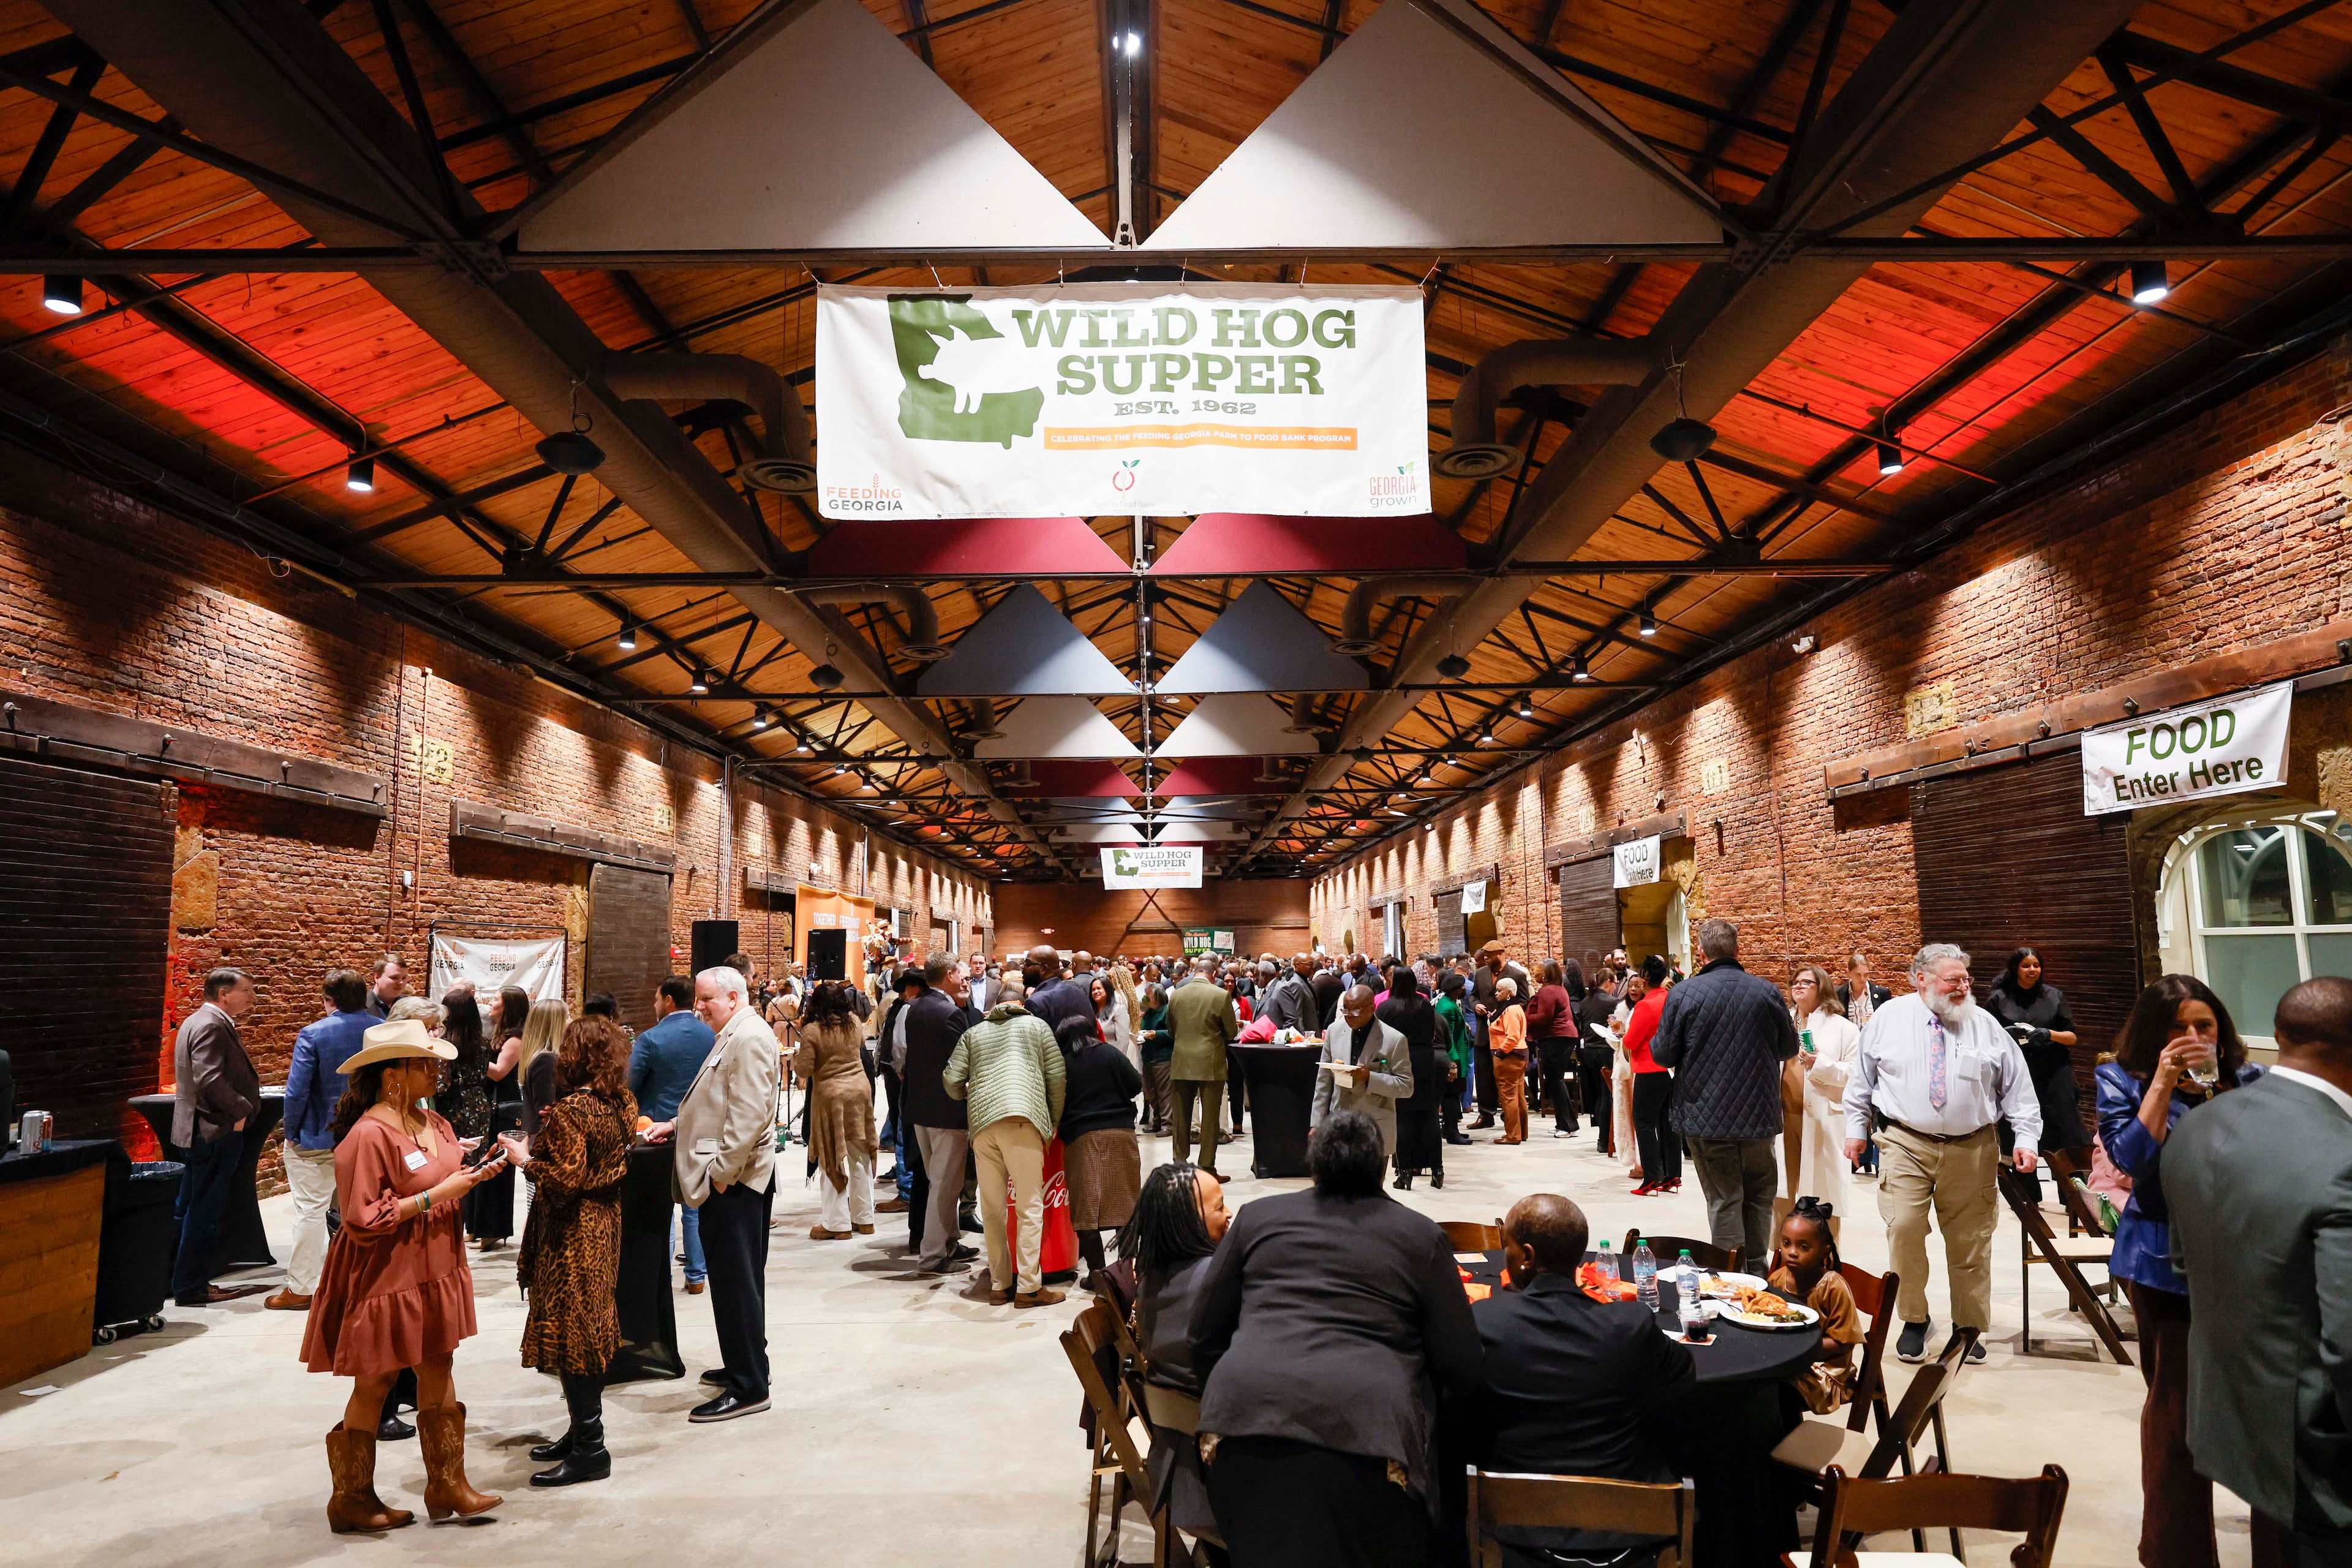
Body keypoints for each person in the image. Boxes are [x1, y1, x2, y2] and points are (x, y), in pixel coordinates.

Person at [1191, 1110, 1483, 1567]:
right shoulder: (1420, 1236)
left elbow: (1204, 1332)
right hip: (1366, 1438)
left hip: (1237, 1426)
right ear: (1382, 1165)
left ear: (1314, 1163)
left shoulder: (1256, 1219)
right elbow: (1463, 1362)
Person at [2167, 976, 2352, 1568]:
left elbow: (2185, 1264)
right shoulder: (2344, 1157)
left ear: (2278, 1038)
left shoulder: (2200, 1124)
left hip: (2234, 1410)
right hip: (2323, 1442)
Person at [302, 1018, 507, 1531]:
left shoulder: (433, 1123)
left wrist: (477, 1173)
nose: (437, 1071)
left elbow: (447, 1175)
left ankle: (448, 1486)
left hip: (436, 1264)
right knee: (378, 1377)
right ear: (392, 1074)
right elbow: (363, 1217)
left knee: (440, 1362)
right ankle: (351, 1500)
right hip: (386, 1271)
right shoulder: (368, 1135)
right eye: (424, 1063)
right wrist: (441, 1194)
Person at [2097, 974, 2263, 1568]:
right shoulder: (2121, 1077)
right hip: (2161, 1258)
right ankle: (2176, 1551)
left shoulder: (2249, 1080)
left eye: (2204, 1026)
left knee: (2258, 1403)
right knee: (2178, 1407)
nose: (2194, 1037)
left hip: (2242, 1255)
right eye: (2178, 1028)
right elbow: (2133, 1159)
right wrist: (2165, 1081)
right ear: (2154, 1034)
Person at [1464, 1193, 1695, 1559]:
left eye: (1505, 1246)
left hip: (1517, 1528)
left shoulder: (1487, 1322)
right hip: (1629, 1528)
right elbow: (1683, 1378)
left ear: (1526, 1256)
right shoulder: (1630, 1324)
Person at [1842, 942, 2040, 1365]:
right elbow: (1861, 1081)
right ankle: (1915, 1319)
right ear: (1922, 980)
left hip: (1972, 1147)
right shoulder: (1887, 1021)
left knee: (1970, 1241)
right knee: (1905, 1229)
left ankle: (1968, 1326)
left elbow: (2018, 1088)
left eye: (1966, 979)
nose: (1963, 987)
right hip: (1904, 1141)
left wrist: (2026, 1139)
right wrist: (1855, 1130)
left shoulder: (1984, 1024)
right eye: (1954, 980)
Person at [499, 1016, 635, 1488]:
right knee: (588, 1327)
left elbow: (566, 1181)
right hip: (605, 1222)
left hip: (573, 1234)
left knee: (575, 1333)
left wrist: (525, 1161)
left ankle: (592, 1449)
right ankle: (581, 1432)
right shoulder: (620, 1100)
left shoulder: (575, 1109)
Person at [647, 965, 779, 1422]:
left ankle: (749, 1387)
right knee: (735, 1282)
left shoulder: (749, 1038)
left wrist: (723, 1173)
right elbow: (717, 1100)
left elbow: (748, 1114)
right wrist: (677, 1124)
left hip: (736, 1182)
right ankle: (747, 1364)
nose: (698, 1007)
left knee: (737, 1284)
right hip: (731, 1178)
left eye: (706, 999)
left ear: (734, 997)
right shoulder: (735, 1032)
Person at [1651, 919, 1800, 1268]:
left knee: (1724, 1200)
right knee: (1759, 1198)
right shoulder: (1766, 991)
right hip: (1759, 1115)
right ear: (1738, 950)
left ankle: (1731, 1275)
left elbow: (1663, 1054)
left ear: (1701, 954)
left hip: (1706, 1116)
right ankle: (1758, 1271)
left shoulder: (1684, 994)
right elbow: (1789, 1046)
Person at [1121, 1161, 1234, 1545]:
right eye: (1219, 1207)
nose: (1230, 1213)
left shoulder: (1154, 1277)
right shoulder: (1213, 1285)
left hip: (1179, 1469)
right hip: (1219, 1485)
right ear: (1187, 1221)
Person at [945, 983, 1068, 1306]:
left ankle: (999, 1285)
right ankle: (1029, 1288)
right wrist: (1053, 1121)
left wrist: (968, 1095)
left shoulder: (974, 1033)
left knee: (994, 1210)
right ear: (1023, 1003)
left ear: (996, 1005)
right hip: (1022, 1118)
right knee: (1029, 1208)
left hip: (983, 1126)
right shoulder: (1039, 1027)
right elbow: (1056, 1077)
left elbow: (951, 1080)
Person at [271, 969, 376, 1311]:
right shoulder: (379, 1031)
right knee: (356, 1209)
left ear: (328, 999)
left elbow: (298, 1090)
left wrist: (290, 1132)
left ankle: (302, 1287)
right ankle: (359, 1279)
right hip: (366, 1134)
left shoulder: (313, 1034)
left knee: (310, 1211)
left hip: (317, 1136)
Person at [171, 967, 264, 1308]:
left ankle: (178, 1280)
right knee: (204, 1212)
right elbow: (209, 1078)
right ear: (224, 994)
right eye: (247, 991)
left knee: (188, 1208)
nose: (251, 998)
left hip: (198, 1130)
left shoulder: (195, 1021)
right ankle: (192, 1287)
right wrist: (241, 1110)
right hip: (213, 1131)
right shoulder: (211, 1024)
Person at [625, 975, 717, 1294]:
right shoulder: (711, 1035)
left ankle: (660, 1277)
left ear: (667, 1000)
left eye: (655, 999)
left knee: (660, 1209)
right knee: (693, 1205)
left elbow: (629, 1085)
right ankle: (696, 1276)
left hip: (657, 1133)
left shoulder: (650, 1038)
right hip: (699, 1129)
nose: (654, 1005)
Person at [903, 955, 980, 1275]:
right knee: (945, 1185)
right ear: (949, 975)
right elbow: (961, 1066)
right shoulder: (950, 1013)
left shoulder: (915, 1007)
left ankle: (948, 1242)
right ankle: (933, 1257)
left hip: (921, 1109)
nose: (966, 981)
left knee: (941, 1181)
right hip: (947, 1112)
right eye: (962, 975)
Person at [1986, 946, 2087, 1184]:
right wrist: (2006, 1036)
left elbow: (2072, 1037)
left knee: (2066, 1127)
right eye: (2026, 966)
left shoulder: (2054, 996)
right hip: (2017, 1071)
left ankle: (2071, 1194)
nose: (2032, 970)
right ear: (2015, 969)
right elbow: (1987, 1038)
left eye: (2036, 965)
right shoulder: (1999, 999)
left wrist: (2050, 1034)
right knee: (2017, 1129)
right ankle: (2027, 1197)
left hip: (2055, 1070)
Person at [1057, 1012, 1143, 1286]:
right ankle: (1129, 1272)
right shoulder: (1110, 1054)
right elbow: (1136, 1085)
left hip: (1081, 1138)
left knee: (1086, 1210)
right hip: (1120, 1132)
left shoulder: (1063, 1064)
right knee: (1125, 1204)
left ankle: (1098, 1276)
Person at [797, 980, 879, 1241]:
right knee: (859, 1154)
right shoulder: (854, 1022)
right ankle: (864, 1219)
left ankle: (837, 1224)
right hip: (860, 1091)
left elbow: (803, 1069)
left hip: (831, 1096)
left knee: (831, 1158)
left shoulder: (812, 1030)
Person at [1768, 1198, 1865, 1415]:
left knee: (1777, 1393)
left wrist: (1798, 1351)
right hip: (1787, 1362)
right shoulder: (1777, 1280)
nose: (1792, 1252)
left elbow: (1843, 1343)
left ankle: (1784, 1446)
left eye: (1804, 1247)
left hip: (1826, 1373)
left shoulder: (1833, 1288)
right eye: (1786, 1244)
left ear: (1825, 1251)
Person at [1312, 983, 1412, 1168]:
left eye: (1355, 1011)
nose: (1349, 1016)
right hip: (1340, 1125)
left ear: (1371, 1008)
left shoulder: (1394, 1039)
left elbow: (1406, 1087)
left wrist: (1370, 1078)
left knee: (1371, 1193)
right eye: (1345, 1009)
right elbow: (1323, 1082)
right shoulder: (1335, 1031)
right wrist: (1317, 1123)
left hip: (1375, 1128)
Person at [1789, 964, 1861, 1214]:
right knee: (1781, 1198)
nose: (1798, 986)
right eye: (1795, 982)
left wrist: (1820, 1064)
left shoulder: (1844, 1028)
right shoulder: (1783, 1022)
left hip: (1823, 1119)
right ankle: (1781, 1251)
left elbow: (1856, 1074)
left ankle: (1826, 1252)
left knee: (1822, 1199)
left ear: (1823, 988)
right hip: (1784, 1121)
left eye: (1806, 982)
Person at [468, 986, 529, 1252]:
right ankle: (479, 1227)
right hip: (491, 1105)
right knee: (484, 1163)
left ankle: (493, 1229)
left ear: (509, 1008)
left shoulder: (515, 1037)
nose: (491, 1004)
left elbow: (499, 1072)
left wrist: (473, 1054)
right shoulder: (497, 1034)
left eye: (496, 1000)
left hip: (504, 1107)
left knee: (498, 1167)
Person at [1169, 956, 1240, 1180]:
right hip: (1211, 1064)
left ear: (1194, 972)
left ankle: (1179, 1166)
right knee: (1210, 1120)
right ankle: (1207, 1169)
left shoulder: (1176, 995)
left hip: (1181, 1061)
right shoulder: (1220, 996)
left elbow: (1172, 1030)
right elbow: (1231, 1032)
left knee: (1181, 1118)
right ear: (1214, 974)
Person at [1380, 969, 1446, 1191]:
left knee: (1403, 1118)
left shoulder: (1387, 1007)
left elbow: (1381, 1038)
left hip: (1398, 1061)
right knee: (1429, 1116)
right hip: (1426, 1060)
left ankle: (1405, 1172)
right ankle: (1437, 1171)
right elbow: (1432, 1032)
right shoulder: (1424, 1004)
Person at [1624, 957, 1680, 1194]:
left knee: (1644, 1122)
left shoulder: (1645, 1005)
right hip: (1670, 1069)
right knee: (1667, 1122)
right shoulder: (1670, 999)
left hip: (1649, 1068)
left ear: (1645, 980)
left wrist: (1623, 1037)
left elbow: (1632, 1040)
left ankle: (1651, 1178)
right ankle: (1672, 1175)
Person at [1468, 941, 1531, 1132]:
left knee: (1507, 1080)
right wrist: (1476, 1005)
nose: (1486, 959)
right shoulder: (1480, 974)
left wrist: (1502, 1013)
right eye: (1484, 956)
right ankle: (1486, 1114)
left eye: (1490, 956)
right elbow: (1474, 996)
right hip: (1484, 1033)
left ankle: (1509, 1116)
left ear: (1502, 954)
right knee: (1484, 1074)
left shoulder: (1517, 975)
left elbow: (1524, 1001)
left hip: (1506, 1035)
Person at [1526, 960, 1581, 1139]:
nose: (1535, 973)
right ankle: (1565, 1123)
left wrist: (1524, 1018)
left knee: (1555, 1081)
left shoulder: (1548, 991)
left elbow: (1544, 1017)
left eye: (1538, 970)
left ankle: (1567, 1125)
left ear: (1546, 974)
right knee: (1555, 1081)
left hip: (1557, 1038)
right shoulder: (1559, 989)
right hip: (1563, 1037)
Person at [516, 996, 568, 1138]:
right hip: (545, 1139)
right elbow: (545, 1110)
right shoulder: (547, 1060)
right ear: (555, 1024)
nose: (571, 1021)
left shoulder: (543, 1057)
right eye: (567, 1017)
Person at [1432, 971, 1474, 1147]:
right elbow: (1446, 1037)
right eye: (1462, 986)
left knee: (1453, 1095)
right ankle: (1451, 1131)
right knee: (1451, 1095)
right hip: (1454, 1056)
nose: (1465, 988)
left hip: (1457, 1054)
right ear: (1455, 989)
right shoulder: (1447, 1008)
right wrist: (1453, 1062)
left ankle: (1452, 1128)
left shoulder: (1447, 1003)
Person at [1488, 976, 1529, 1144]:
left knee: (1508, 1097)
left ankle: (1513, 1135)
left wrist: (1499, 1054)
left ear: (1510, 993)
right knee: (1518, 1096)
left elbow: (1512, 1037)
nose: (1496, 994)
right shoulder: (1512, 1008)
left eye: (1500, 991)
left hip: (1509, 1058)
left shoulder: (1511, 1011)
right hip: (1517, 1056)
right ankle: (1521, 1133)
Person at [1137, 982, 1175, 1135]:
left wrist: (1157, 1034)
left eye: (1148, 995)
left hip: (1163, 1058)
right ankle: (1157, 1121)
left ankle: (1168, 1124)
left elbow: (1173, 1033)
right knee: (1151, 1093)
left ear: (1157, 996)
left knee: (1165, 1093)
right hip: (1148, 1056)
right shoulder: (1149, 1013)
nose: (1145, 998)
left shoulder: (1167, 1011)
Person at [365, 954, 408, 1018]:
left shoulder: (409, 1006)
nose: (401, 982)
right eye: (395, 978)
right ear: (377, 978)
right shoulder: (360, 1007)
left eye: (404, 978)